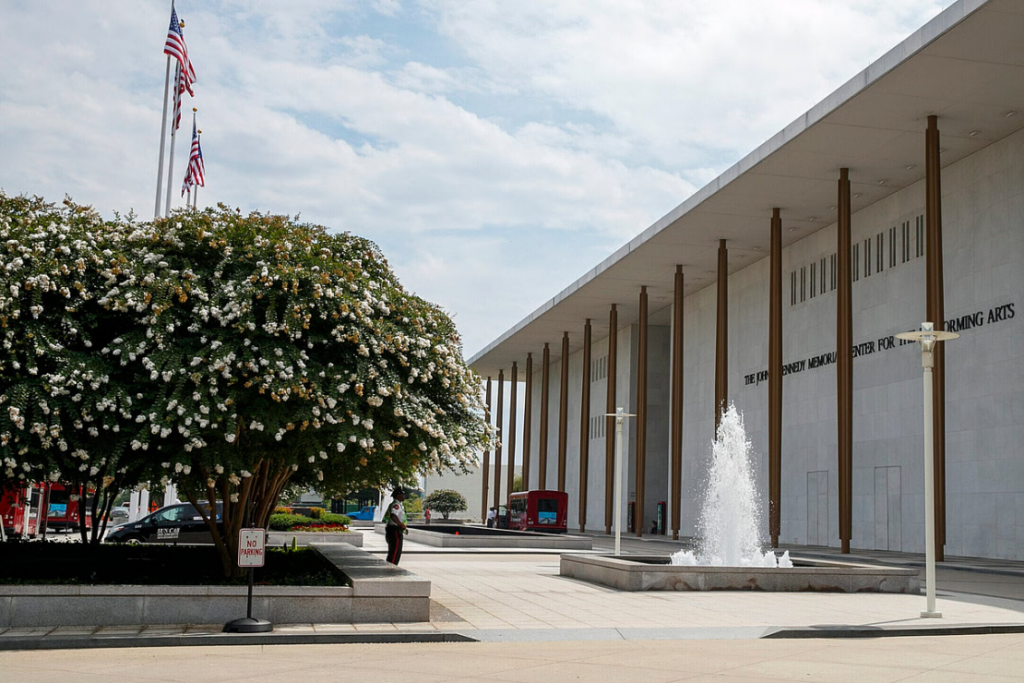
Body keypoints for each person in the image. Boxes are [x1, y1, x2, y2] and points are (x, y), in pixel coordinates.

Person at [385, 487, 408, 565]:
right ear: (398, 495)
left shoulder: (399, 504)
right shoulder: (396, 505)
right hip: (394, 530)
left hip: (395, 529)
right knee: (395, 551)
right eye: (402, 494)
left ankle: (391, 566)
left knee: (395, 550)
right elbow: (393, 516)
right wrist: (401, 525)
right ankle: (391, 567)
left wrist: (403, 526)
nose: (403, 496)